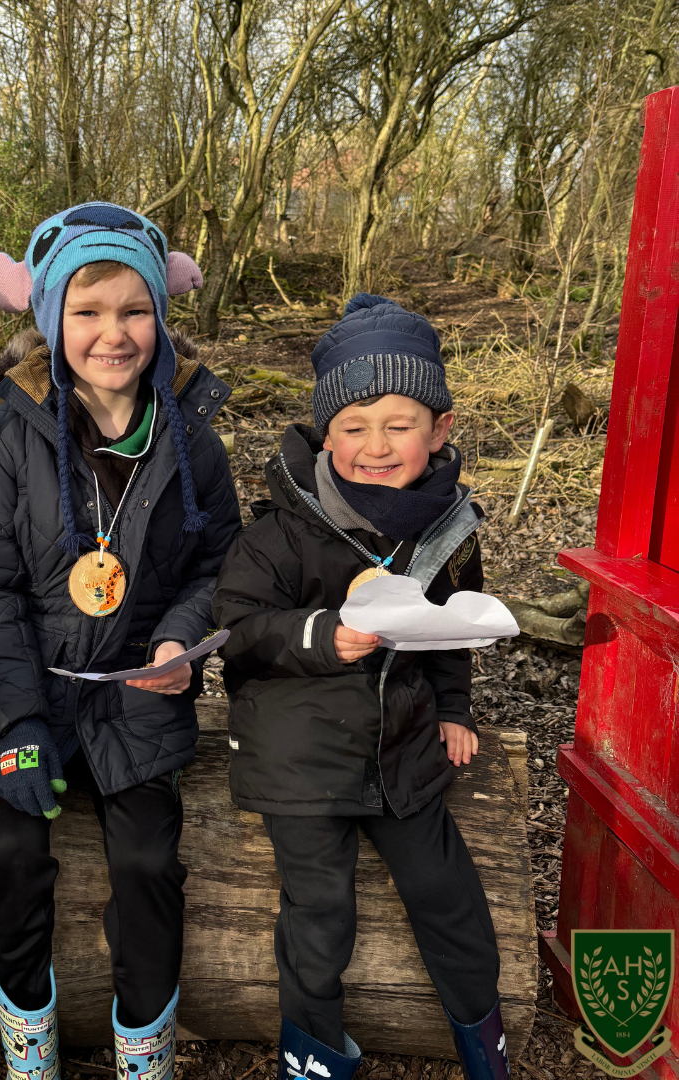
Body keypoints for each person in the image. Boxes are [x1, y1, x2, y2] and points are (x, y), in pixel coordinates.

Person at [0, 202, 241, 1080]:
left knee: (151, 864)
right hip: (34, 689)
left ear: (161, 314)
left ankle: (143, 1053)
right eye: (87, 312)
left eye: (133, 310)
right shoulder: (9, 439)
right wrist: (12, 726)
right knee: (7, 849)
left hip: (136, 697)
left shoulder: (194, 438)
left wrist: (180, 641)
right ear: (51, 322)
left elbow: (217, 566)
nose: (112, 334)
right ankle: (29, 1047)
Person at [211, 293, 509, 1080]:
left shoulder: (447, 529)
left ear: (440, 429)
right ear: (323, 433)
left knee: (450, 896)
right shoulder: (278, 532)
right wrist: (320, 635)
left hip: (402, 749)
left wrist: (451, 708)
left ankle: (487, 1044)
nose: (376, 446)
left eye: (399, 424)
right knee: (321, 918)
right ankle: (311, 1060)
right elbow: (234, 632)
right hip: (300, 758)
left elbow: (454, 629)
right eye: (353, 426)